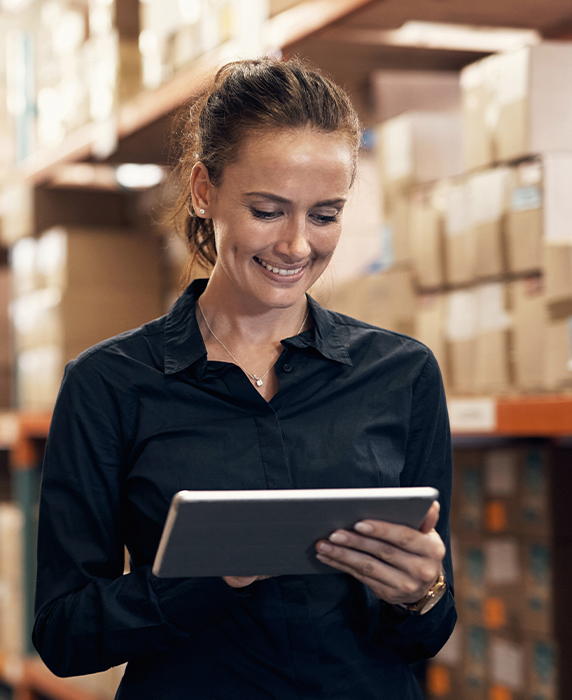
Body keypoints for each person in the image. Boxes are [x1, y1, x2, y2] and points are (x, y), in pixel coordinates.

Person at [33, 57, 456, 699]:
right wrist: (208, 577)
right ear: (205, 191)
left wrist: (421, 595)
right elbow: (65, 635)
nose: (295, 245)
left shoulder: (401, 374)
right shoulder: (109, 384)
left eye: (324, 214)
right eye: (267, 210)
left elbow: (423, 637)